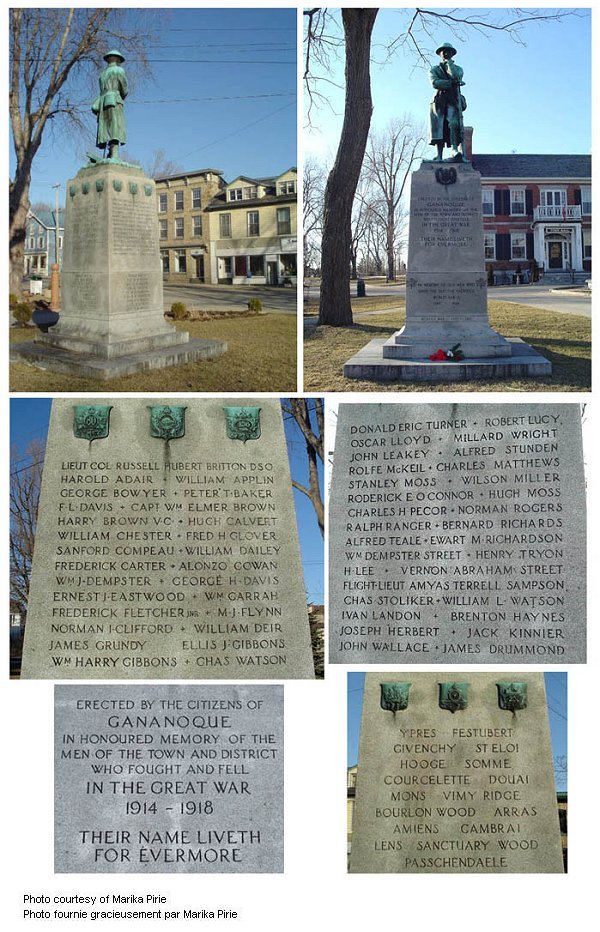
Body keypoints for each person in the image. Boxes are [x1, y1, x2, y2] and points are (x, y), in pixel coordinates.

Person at [429, 42, 467, 162]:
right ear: (439, 53)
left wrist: (449, 64)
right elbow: (435, 83)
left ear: (452, 54)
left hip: (453, 99)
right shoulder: (434, 69)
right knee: (438, 128)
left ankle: (455, 149)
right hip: (439, 100)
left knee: (453, 124)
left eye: (448, 51)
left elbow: (455, 76)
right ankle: (439, 155)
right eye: (443, 51)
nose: (445, 53)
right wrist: (451, 84)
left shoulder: (458, 69)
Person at [92, 50, 128, 160]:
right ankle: (115, 154)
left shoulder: (102, 74)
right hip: (115, 100)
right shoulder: (119, 70)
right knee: (115, 127)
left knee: (105, 127)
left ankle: (110, 153)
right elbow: (124, 90)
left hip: (103, 102)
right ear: (117, 59)